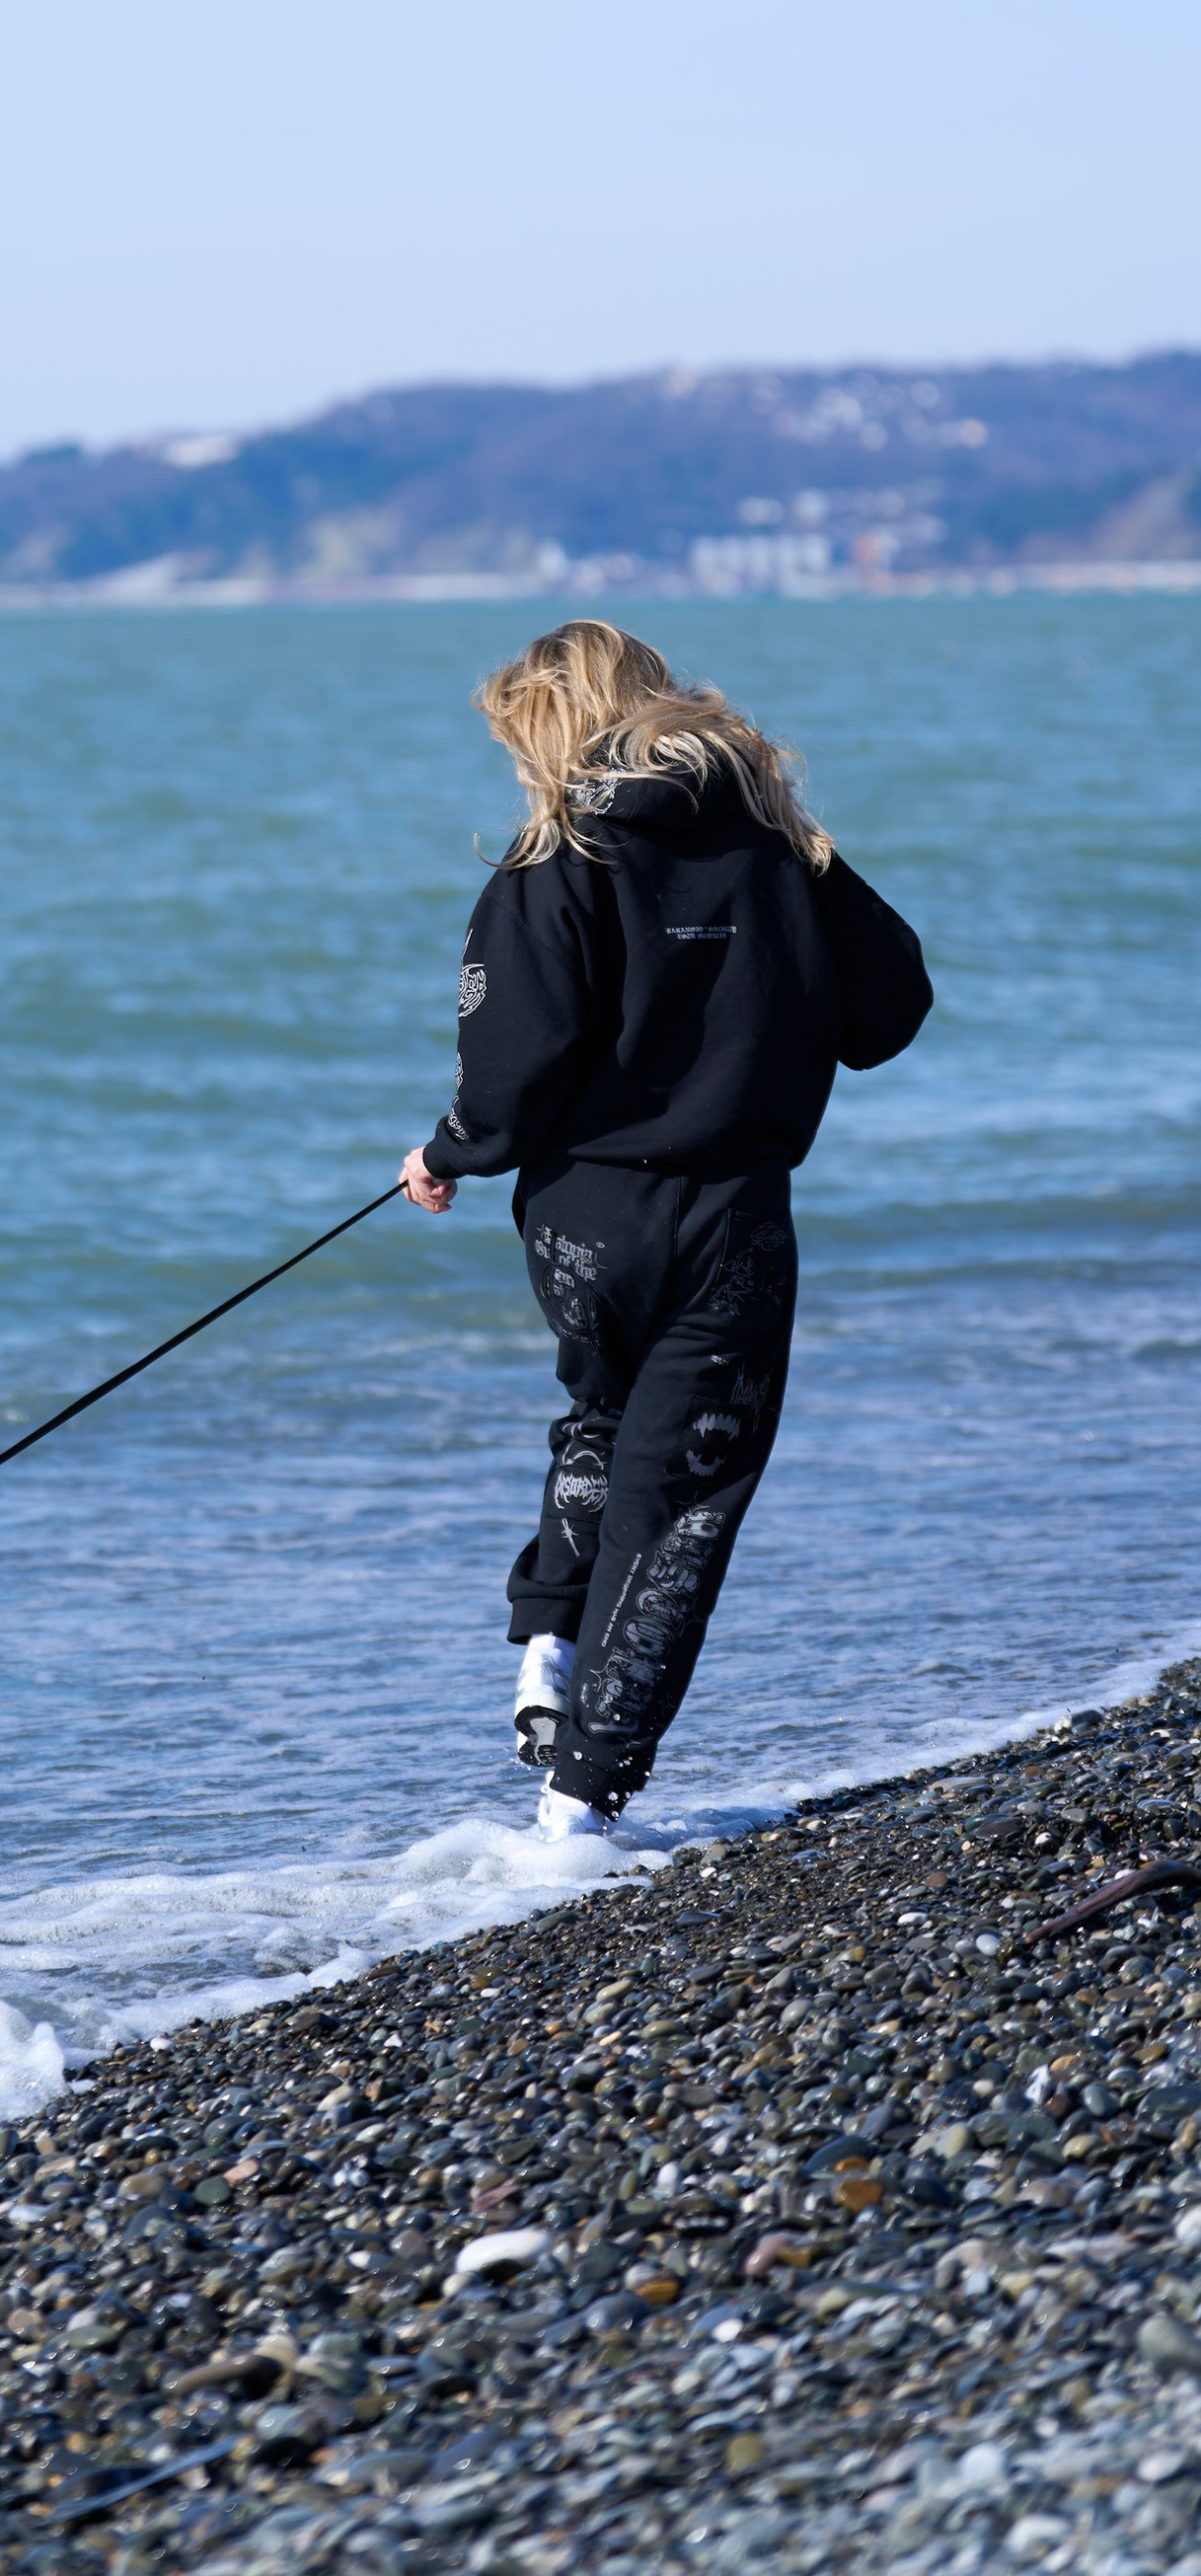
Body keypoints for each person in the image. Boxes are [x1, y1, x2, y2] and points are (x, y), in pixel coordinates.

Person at [400, 621, 931, 1839]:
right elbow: (890, 1004)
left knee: (600, 1423)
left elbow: (511, 1067)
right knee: (680, 1498)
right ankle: (576, 1811)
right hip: (732, 1214)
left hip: (582, 1223)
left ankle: (545, 1647)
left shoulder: (552, 856)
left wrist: (445, 1155)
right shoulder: (779, 844)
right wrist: (800, 862)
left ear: (544, 732)